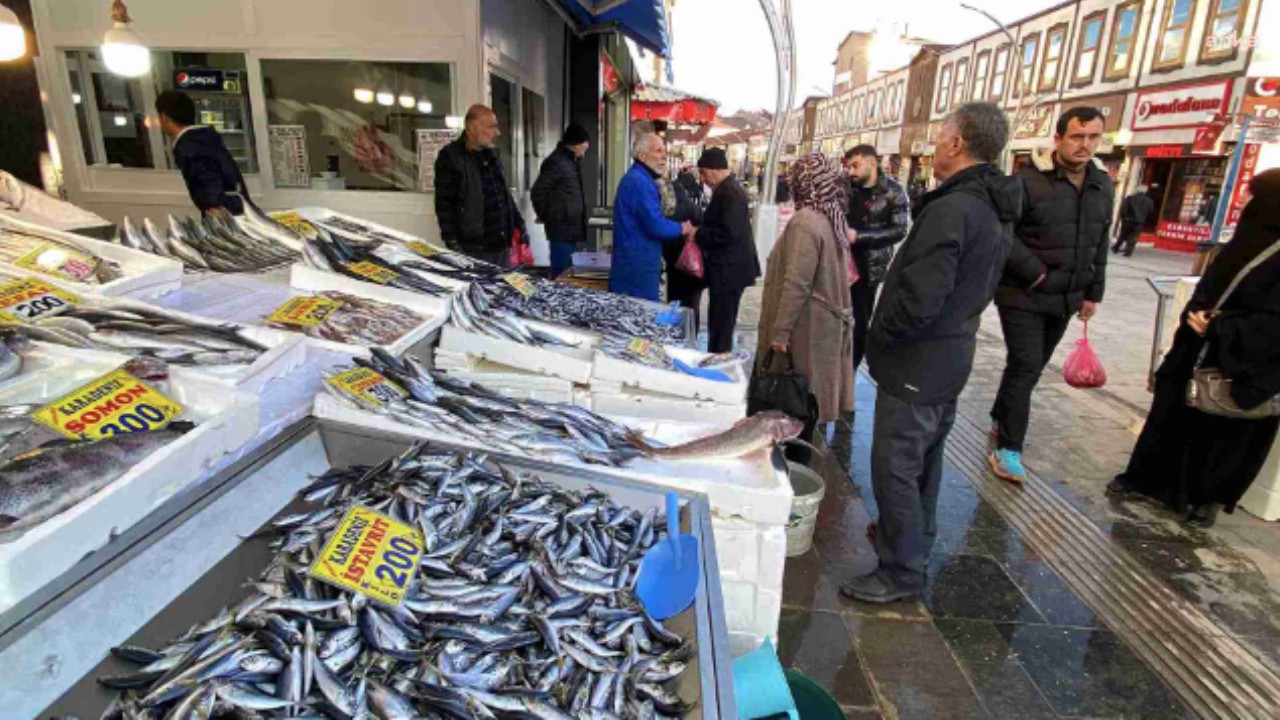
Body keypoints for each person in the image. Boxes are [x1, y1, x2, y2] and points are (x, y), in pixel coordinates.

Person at [842, 102, 1019, 603]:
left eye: (941, 136)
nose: (935, 146)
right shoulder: (989, 204)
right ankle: (913, 543)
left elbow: (921, 298)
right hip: (949, 357)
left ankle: (900, 570)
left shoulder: (954, 208)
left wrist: (884, 337)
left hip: (920, 362)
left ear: (958, 143)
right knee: (923, 462)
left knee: (896, 466)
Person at [1108, 169, 1280, 528]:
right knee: (1171, 415)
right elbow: (1212, 286)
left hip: (1241, 365)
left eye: (1254, 197)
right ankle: (1147, 481)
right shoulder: (1243, 242)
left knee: (1221, 436)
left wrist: (1220, 327)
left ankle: (1203, 499)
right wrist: (1199, 317)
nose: (1246, 204)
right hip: (1195, 349)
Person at [988, 106, 1114, 484]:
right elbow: (1003, 235)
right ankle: (1009, 447)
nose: (1085, 145)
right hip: (1022, 293)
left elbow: (1100, 240)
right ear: (1058, 138)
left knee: (1032, 368)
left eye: (1093, 137)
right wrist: (1037, 275)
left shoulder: (1101, 184)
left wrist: (1094, 292)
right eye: (1077, 136)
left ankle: (1000, 416)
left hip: (1067, 297)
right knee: (1025, 365)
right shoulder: (1027, 181)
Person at [755, 154, 855, 455]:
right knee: (806, 412)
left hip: (805, 333)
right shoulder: (829, 218)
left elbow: (796, 283)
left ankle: (791, 483)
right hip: (822, 328)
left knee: (794, 409)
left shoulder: (806, 222)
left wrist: (779, 334)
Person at [843, 145, 910, 375]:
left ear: (872, 163)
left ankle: (849, 369)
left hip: (868, 267)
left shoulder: (893, 191)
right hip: (839, 262)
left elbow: (899, 230)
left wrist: (859, 237)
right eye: (848, 166)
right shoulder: (846, 188)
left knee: (860, 321)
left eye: (855, 165)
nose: (851, 171)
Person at [434, 104, 527, 267]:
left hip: (501, 244)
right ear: (472, 127)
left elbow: (503, 193)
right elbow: (444, 204)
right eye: (492, 127)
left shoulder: (492, 154)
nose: (497, 133)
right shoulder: (451, 157)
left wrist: (519, 224)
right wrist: (452, 242)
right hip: (474, 248)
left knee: (502, 289)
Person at [610, 133, 693, 300]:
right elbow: (655, 225)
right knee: (641, 314)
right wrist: (682, 228)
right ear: (642, 156)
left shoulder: (640, 178)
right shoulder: (639, 182)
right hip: (637, 264)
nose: (664, 156)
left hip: (637, 260)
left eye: (664, 151)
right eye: (658, 151)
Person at [695, 147, 760, 353]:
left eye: (703, 173)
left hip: (729, 271)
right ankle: (717, 356)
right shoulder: (727, 189)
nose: (703, 179)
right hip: (728, 270)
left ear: (714, 170)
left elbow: (728, 233)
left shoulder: (729, 192)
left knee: (721, 323)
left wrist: (698, 234)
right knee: (719, 321)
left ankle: (719, 362)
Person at [155, 90, 248, 218]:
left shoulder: (189, 145)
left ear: (164, 117)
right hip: (237, 207)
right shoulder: (203, 138)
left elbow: (207, 174)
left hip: (224, 212)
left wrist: (213, 205)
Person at [531, 123, 590, 278]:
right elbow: (538, 191)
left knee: (568, 271)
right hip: (561, 227)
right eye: (584, 146)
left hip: (570, 227)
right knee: (561, 272)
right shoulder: (557, 162)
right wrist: (548, 215)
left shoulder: (570, 162)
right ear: (575, 144)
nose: (585, 151)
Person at [1112, 184, 1155, 257]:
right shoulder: (1149, 201)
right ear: (1146, 191)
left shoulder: (1130, 198)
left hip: (1128, 220)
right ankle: (1128, 252)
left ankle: (1116, 247)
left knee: (1123, 235)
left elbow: (1124, 208)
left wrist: (1124, 217)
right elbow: (1150, 211)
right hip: (1139, 222)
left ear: (1137, 190)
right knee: (1134, 237)